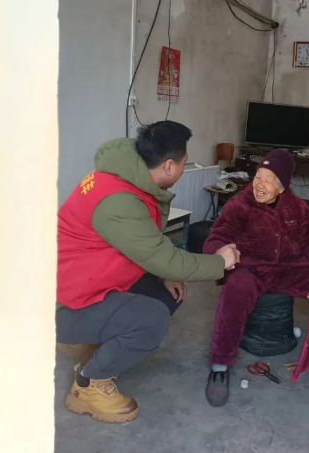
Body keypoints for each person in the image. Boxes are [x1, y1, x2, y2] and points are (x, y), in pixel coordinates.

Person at [56, 121, 240, 423]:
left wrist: (164, 272)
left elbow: (145, 245)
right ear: (168, 166)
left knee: (166, 293)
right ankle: (89, 384)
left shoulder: (127, 178)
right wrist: (219, 262)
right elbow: (163, 257)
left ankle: (95, 343)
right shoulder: (118, 200)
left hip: (83, 282)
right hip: (65, 303)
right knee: (152, 318)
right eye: (183, 163)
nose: (182, 169)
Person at [202, 149, 309, 407]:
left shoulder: (297, 207)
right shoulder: (240, 204)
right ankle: (219, 366)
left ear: (281, 186)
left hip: (288, 268)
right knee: (234, 292)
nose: (259, 184)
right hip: (250, 269)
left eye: (268, 180)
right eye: (258, 177)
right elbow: (217, 237)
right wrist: (219, 253)